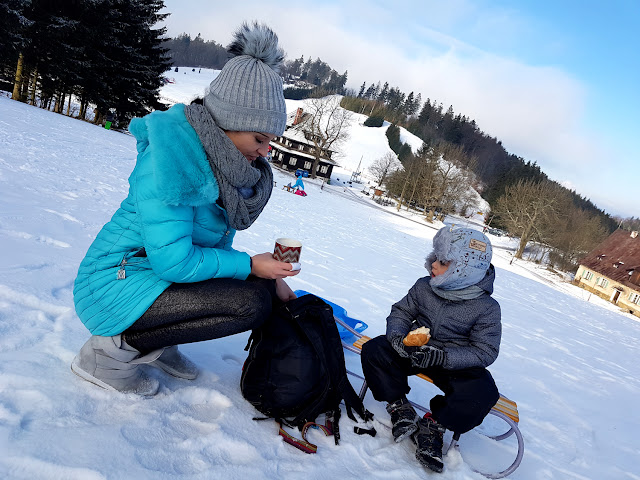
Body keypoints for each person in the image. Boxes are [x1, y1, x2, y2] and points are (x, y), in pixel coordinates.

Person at [71, 22, 298, 397]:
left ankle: (155, 344)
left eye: (271, 141)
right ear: (228, 123)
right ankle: (107, 355)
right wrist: (250, 268)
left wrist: (268, 277)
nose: (265, 152)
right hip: (113, 283)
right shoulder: (173, 159)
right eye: (259, 138)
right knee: (249, 304)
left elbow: (207, 251)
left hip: (151, 278)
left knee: (260, 291)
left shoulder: (223, 165)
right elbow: (174, 262)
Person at [361, 227, 501, 473]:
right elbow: (402, 312)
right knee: (375, 349)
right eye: (435, 257)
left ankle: (434, 425)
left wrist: (445, 357)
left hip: (454, 362)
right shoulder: (424, 286)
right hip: (415, 351)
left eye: (443, 261)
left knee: (483, 393)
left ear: (462, 269)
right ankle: (399, 406)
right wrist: (397, 337)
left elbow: (485, 350)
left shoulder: (486, 308)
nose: (433, 264)